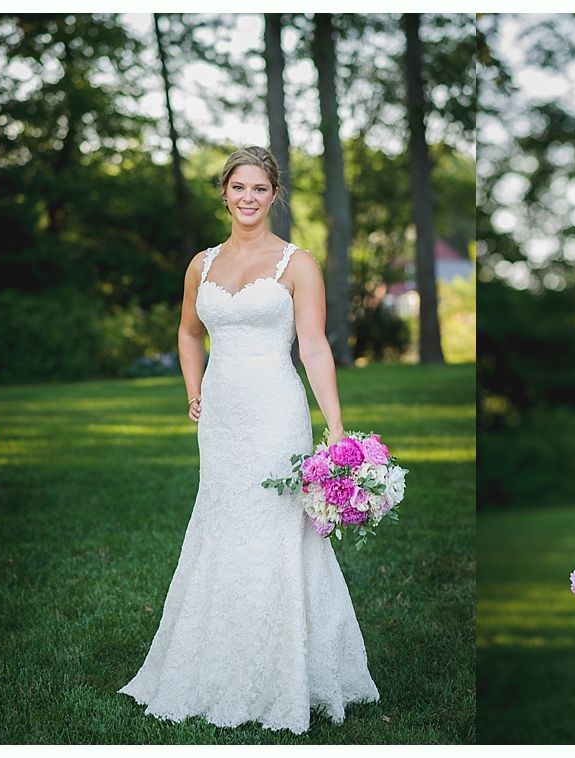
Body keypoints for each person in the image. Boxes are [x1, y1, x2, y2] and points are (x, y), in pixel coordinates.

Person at [119, 146, 379, 733]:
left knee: (275, 527)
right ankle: (211, 659)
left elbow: (313, 346)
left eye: (259, 188)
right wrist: (194, 392)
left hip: (274, 410)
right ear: (225, 192)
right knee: (223, 522)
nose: (248, 198)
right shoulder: (201, 264)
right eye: (239, 187)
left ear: (274, 194)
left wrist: (335, 426)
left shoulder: (297, 263)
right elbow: (188, 334)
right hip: (223, 418)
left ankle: (287, 669)